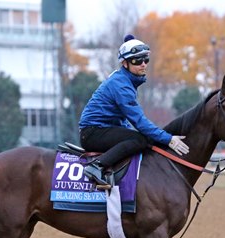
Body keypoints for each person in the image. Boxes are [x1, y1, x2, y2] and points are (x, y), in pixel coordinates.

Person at [79, 34, 189, 189]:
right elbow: (140, 122)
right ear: (125, 63)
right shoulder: (122, 85)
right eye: (137, 60)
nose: (143, 64)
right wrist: (168, 139)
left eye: (146, 59)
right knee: (140, 140)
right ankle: (97, 167)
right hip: (92, 133)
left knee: (144, 138)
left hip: (100, 129)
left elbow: (124, 121)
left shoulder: (125, 81)